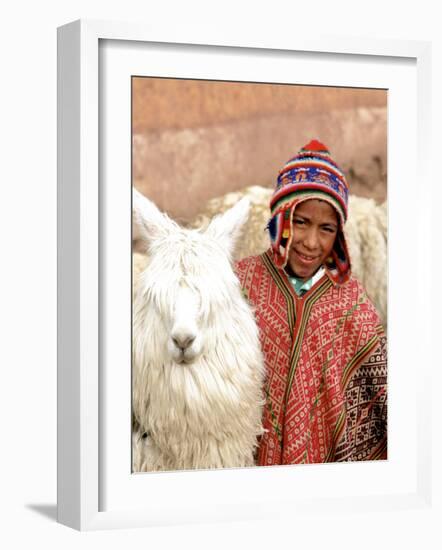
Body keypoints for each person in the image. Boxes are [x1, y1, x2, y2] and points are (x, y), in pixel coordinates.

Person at [235, 139, 387, 465]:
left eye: (326, 228)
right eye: (301, 222)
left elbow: (381, 399)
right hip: (247, 463)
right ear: (280, 218)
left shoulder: (353, 306)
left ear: (339, 236)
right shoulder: (240, 284)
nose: (311, 242)